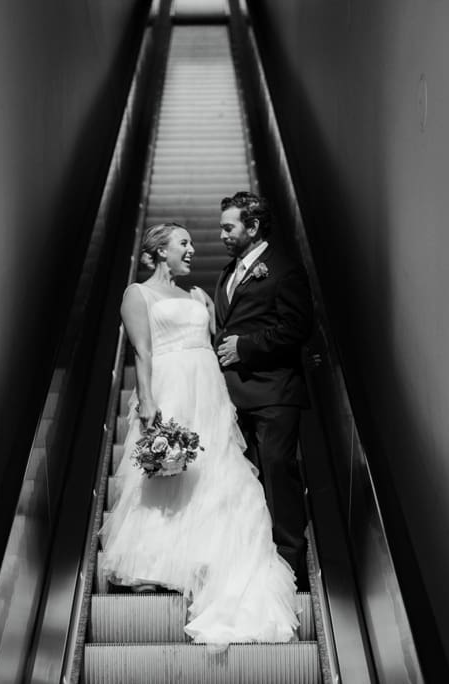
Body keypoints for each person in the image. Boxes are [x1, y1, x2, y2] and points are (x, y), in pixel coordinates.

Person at [98, 222, 299, 647]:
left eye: (191, 244)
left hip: (209, 391)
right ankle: (155, 564)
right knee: (167, 475)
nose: (192, 250)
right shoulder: (138, 295)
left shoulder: (197, 296)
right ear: (158, 251)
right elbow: (143, 351)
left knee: (215, 471)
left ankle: (209, 557)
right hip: (171, 387)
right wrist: (148, 399)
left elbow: (214, 344)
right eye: (183, 244)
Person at [214, 192, 313, 590]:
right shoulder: (228, 271)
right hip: (232, 398)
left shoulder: (285, 269)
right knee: (242, 483)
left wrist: (245, 347)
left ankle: (291, 569)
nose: (221, 234)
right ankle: (249, 565)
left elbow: (298, 328)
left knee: (277, 474)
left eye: (228, 227)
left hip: (273, 394)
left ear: (252, 228)